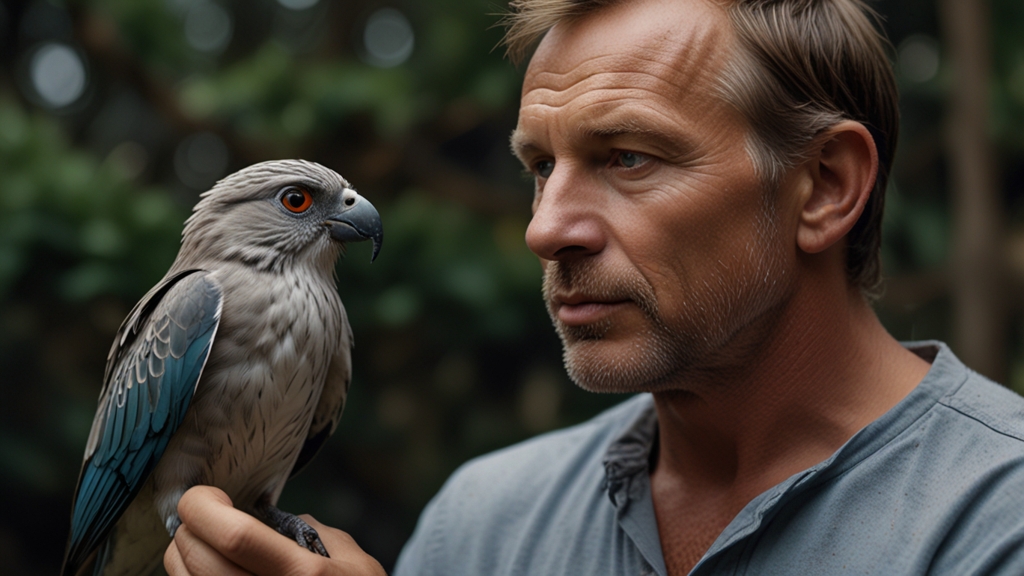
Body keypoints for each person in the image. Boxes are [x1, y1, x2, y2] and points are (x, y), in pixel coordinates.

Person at [164, 0, 1024, 574]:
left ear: (826, 185)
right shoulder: (483, 526)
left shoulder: (996, 517)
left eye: (628, 157)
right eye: (540, 166)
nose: (546, 227)